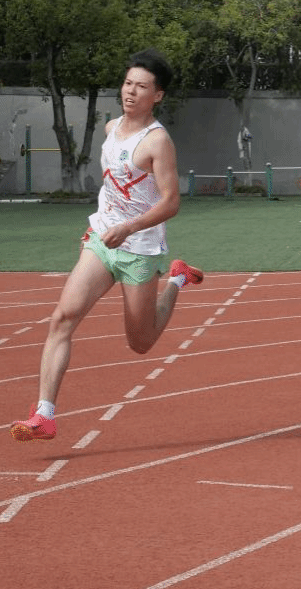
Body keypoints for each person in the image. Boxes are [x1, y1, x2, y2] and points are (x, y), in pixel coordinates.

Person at [11, 49, 203, 441]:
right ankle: (44, 415)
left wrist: (130, 227)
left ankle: (176, 279)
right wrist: (109, 227)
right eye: (128, 83)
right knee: (63, 318)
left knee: (141, 343)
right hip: (101, 239)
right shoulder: (111, 127)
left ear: (158, 95)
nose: (131, 91)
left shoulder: (158, 142)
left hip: (139, 249)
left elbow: (171, 202)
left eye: (141, 87)